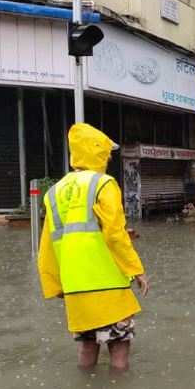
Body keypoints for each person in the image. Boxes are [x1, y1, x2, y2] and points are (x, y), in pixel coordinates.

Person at [38, 123, 149, 371]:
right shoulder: (103, 184)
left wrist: (55, 285)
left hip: (75, 287)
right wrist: (137, 270)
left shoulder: (54, 192)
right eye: (107, 154)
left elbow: (49, 243)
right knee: (119, 348)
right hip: (108, 284)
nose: (109, 159)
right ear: (97, 152)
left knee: (87, 347)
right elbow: (114, 235)